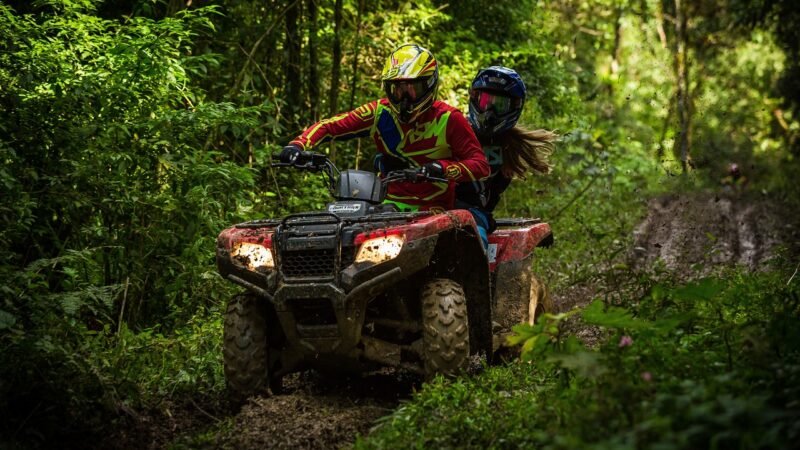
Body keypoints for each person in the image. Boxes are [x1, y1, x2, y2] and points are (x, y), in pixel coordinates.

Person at [280, 44, 489, 212]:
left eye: (412, 89)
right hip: (385, 205)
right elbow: (329, 126)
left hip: (433, 210)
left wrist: (441, 168)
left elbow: (480, 165)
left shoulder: (448, 118)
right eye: (397, 89)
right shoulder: (379, 112)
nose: (404, 98)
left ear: (429, 85)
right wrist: (297, 146)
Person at [456, 66, 557, 248]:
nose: (490, 111)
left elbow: (493, 194)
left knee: (474, 244)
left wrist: (483, 214)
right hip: (435, 209)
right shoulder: (454, 130)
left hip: (473, 217)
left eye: (499, 105)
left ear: (514, 107)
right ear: (474, 97)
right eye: (486, 101)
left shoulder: (509, 147)